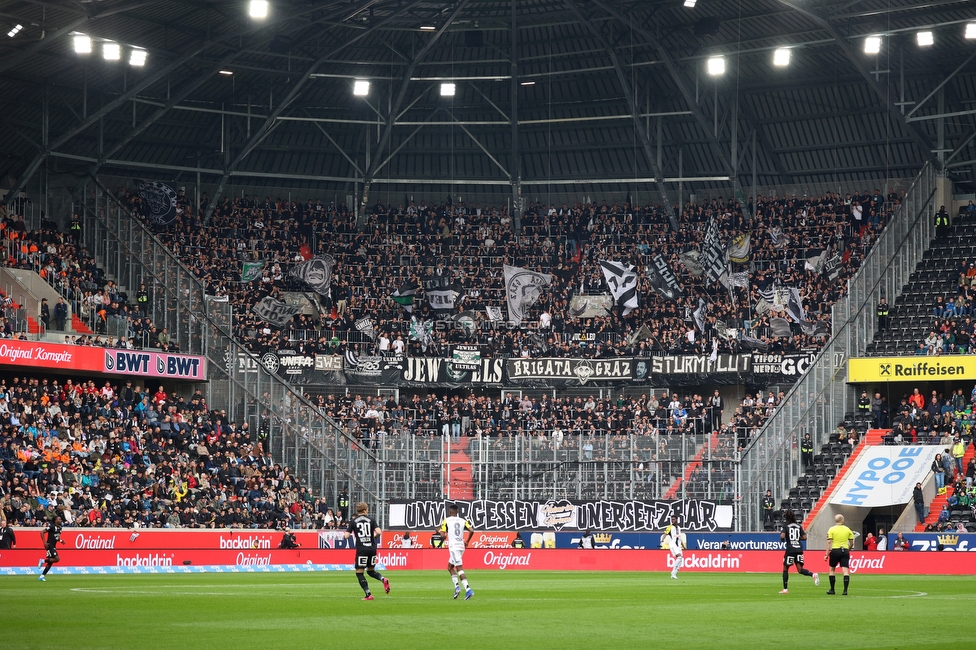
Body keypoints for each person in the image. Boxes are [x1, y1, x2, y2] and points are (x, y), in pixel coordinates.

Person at [343, 502, 389, 601]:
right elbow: (379, 532)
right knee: (371, 571)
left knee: (359, 573)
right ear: (365, 510)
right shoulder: (371, 520)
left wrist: (347, 534)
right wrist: (373, 537)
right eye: (367, 509)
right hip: (372, 548)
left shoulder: (353, 521)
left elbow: (346, 536)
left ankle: (368, 594)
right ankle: (383, 579)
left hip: (362, 549)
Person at [439, 503, 474, 599]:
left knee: (459, 568)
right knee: (450, 567)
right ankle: (457, 587)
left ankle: (468, 590)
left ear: (450, 512)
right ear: (457, 512)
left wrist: (442, 533)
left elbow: (442, 536)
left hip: (454, 547)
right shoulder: (463, 520)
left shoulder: (446, 520)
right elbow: (471, 530)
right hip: (461, 546)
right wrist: (467, 541)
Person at [779, 510, 818, 594]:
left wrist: (782, 539)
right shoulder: (798, 526)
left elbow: (782, 535)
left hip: (790, 550)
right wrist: (797, 538)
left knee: (785, 568)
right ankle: (813, 574)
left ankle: (785, 589)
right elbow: (805, 537)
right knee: (800, 569)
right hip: (799, 549)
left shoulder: (786, 526)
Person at [825, 513, 855, 595]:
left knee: (832, 570)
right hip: (844, 550)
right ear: (843, 520)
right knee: (845, 571)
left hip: (835, 550)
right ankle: (845, 591)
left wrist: (826, 554)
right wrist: (848, 550)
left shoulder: (831, 529)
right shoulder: (848, 530)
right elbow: (852, 543)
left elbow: (829, 542)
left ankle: (832, 589)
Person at [39, 515, 63, 581]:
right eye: (59, 519)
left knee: (50, 562)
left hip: (54, 545)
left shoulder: (60, 528)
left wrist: (61, 541)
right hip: (50, 545)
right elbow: (42, 532)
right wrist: (44, 543)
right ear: (55, 520)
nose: (61, 520)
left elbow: (57, 537)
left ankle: (42, 576)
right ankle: (42, 561)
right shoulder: (52, 526)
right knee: (57, 559)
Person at [664, 515, 685, 580]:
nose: (672, 520)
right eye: (672, 519)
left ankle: (674, 573)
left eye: (674, 519)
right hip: (673, 544)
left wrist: (683, 546)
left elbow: (679, 537)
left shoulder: (678, 528)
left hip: (678, 545)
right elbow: (665, 534)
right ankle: (673, 573)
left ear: (677, 520)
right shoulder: (670, 527)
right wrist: (662, 540)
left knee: (680, 559)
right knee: (679, 557)